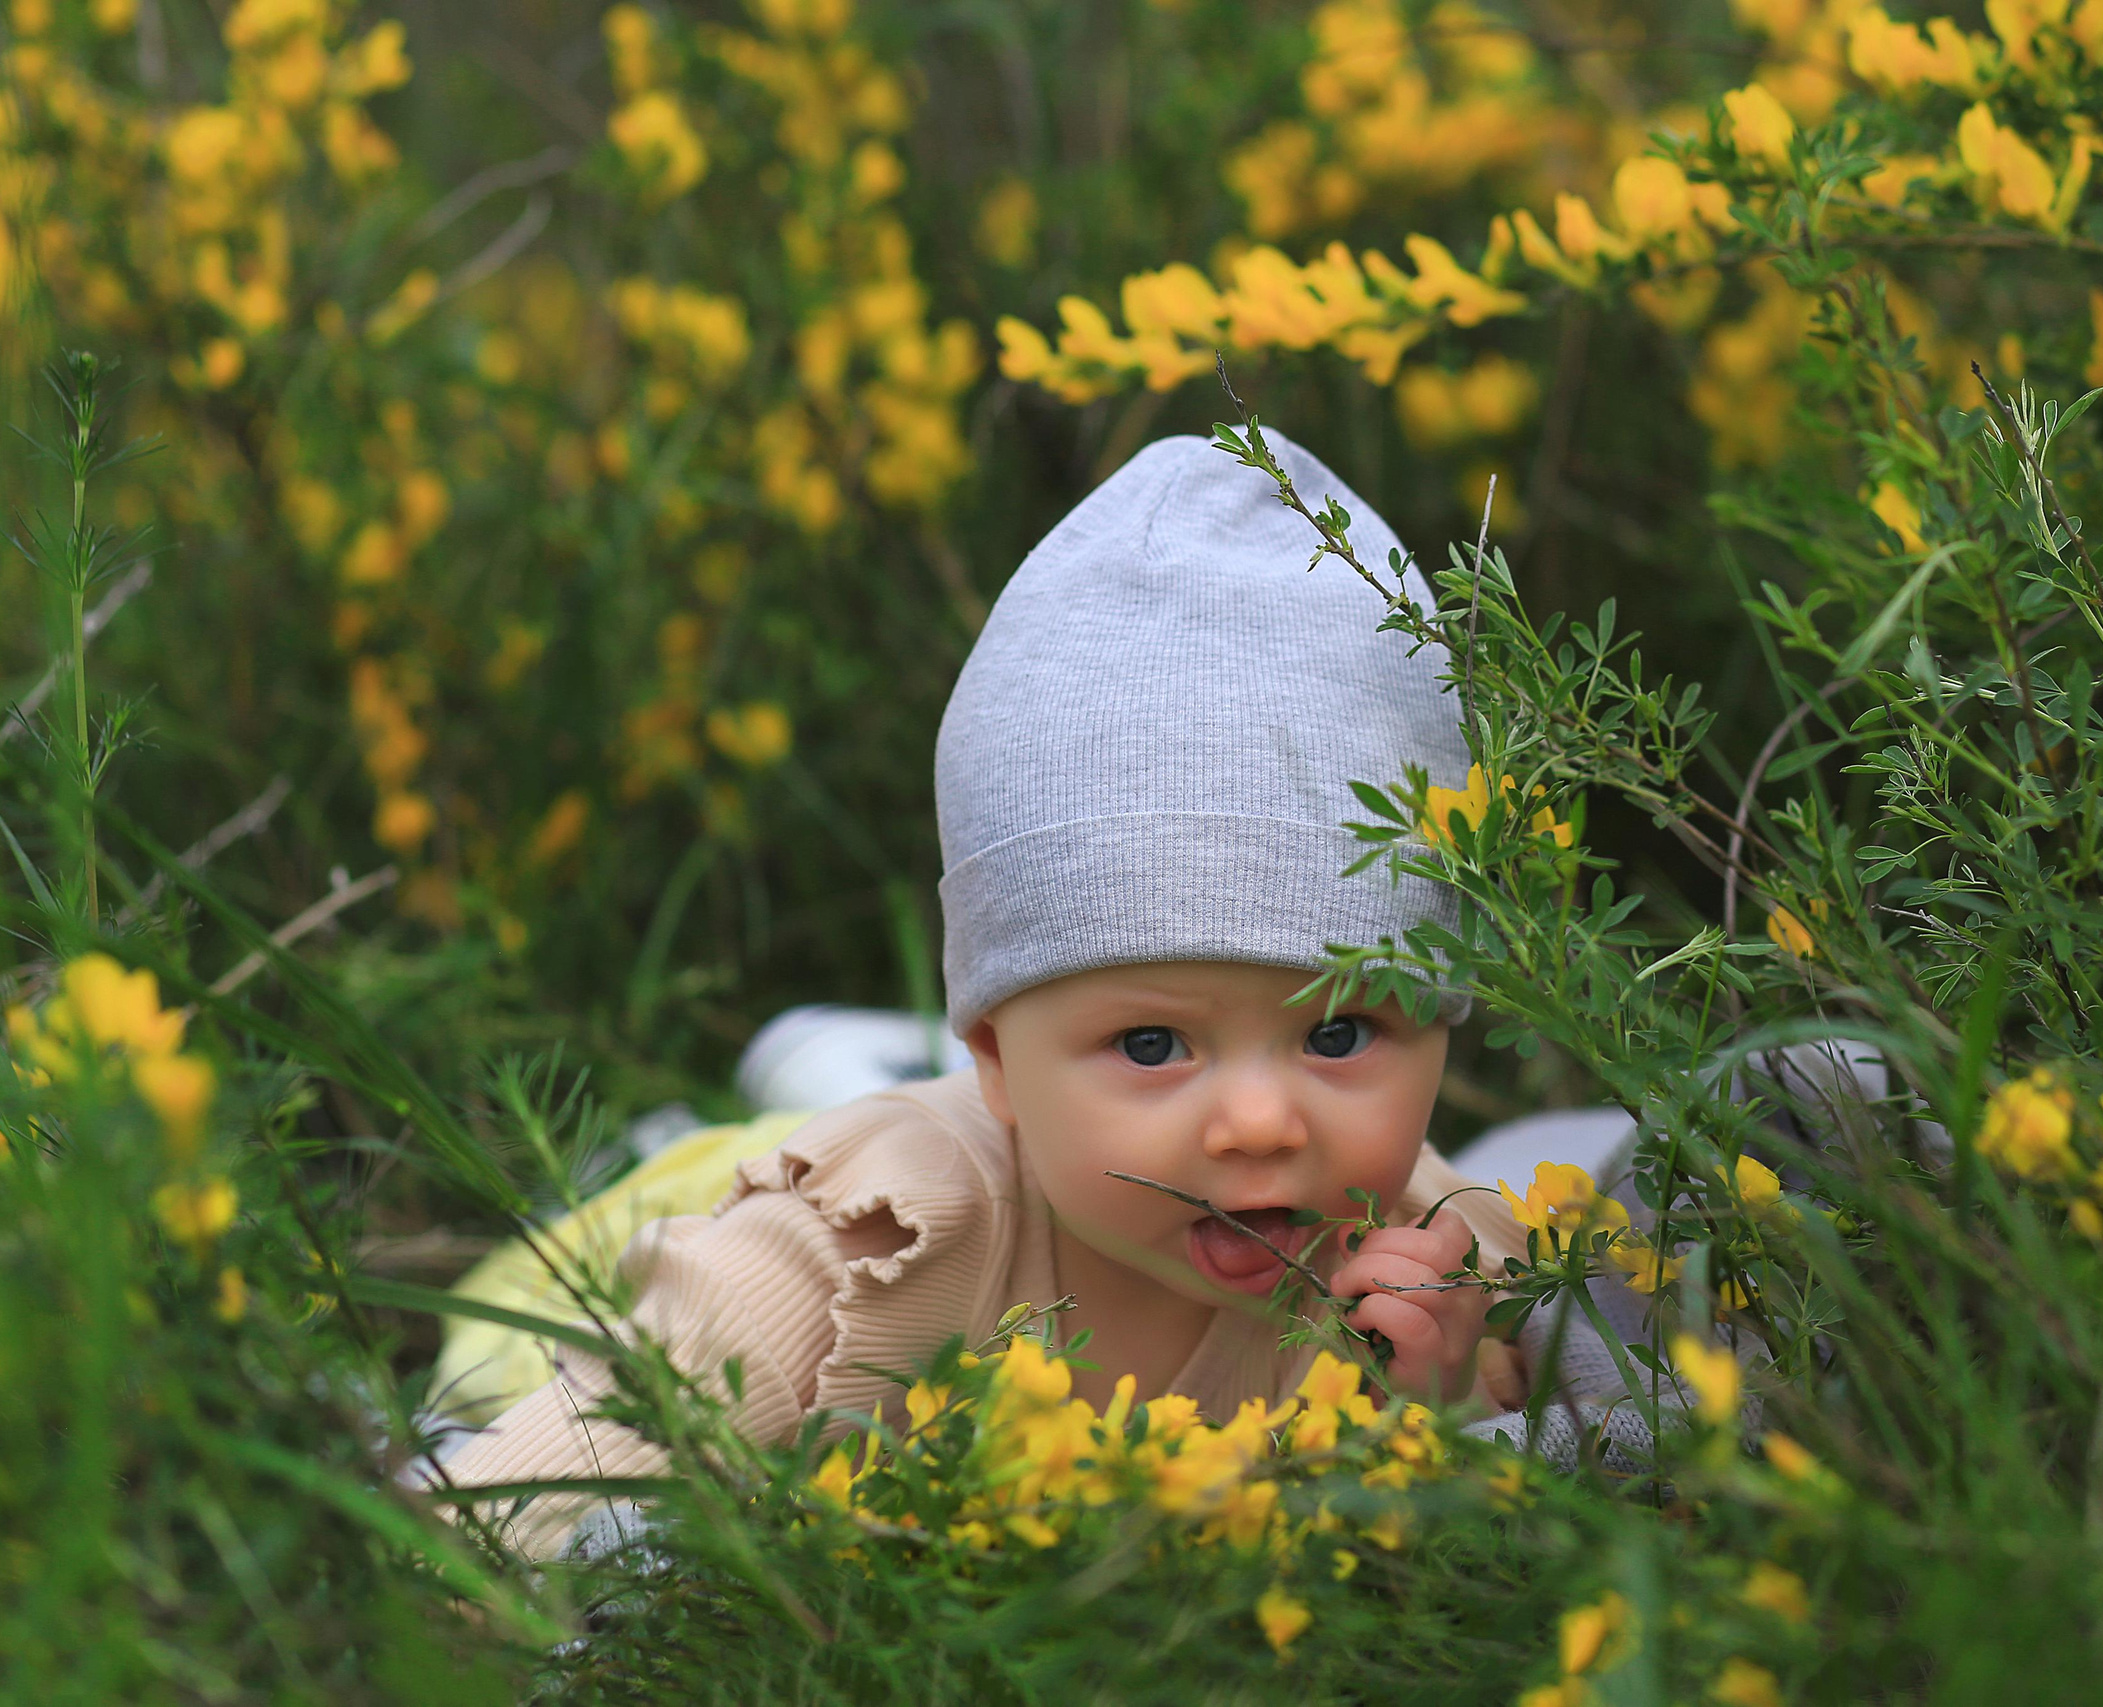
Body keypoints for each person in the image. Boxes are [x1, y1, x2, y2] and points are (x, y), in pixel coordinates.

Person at [441, 429, 1530, 1556]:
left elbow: (1527, 1510)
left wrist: (1441, 1407)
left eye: (1340, 1030)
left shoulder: (1426, 1256)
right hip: (666, 1235)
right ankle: (811, 1071)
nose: (1261, 1123)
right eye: (1153, 1045)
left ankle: (857, 1052)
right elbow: (480, 1531)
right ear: (1000, 1057)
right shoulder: (854, 1255)